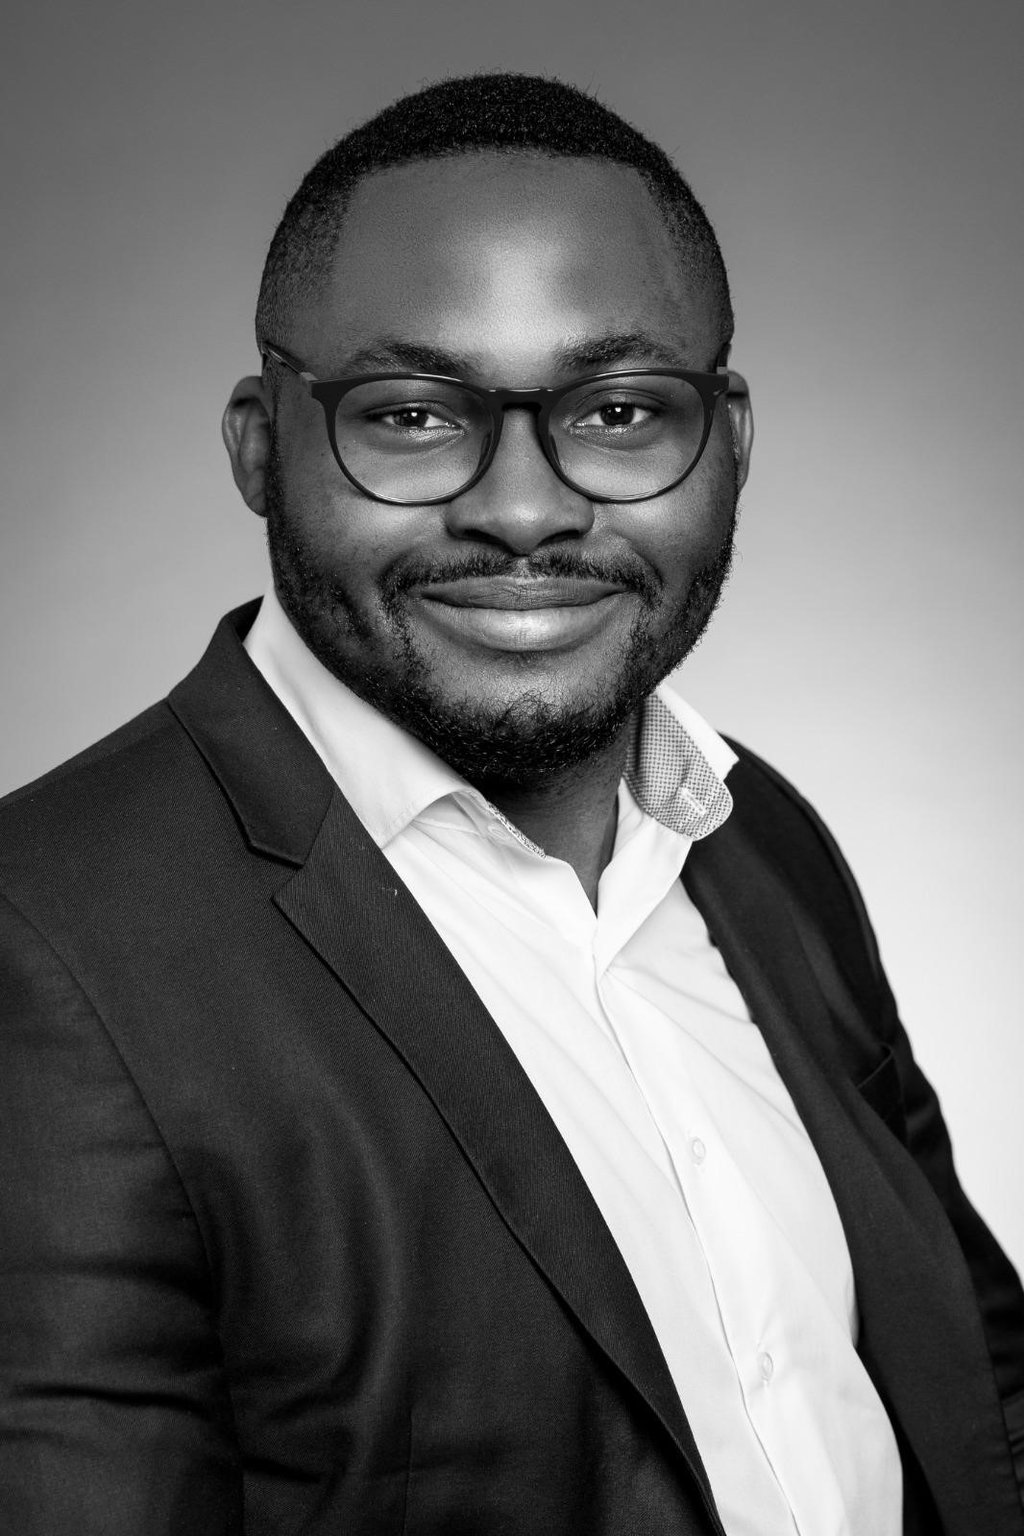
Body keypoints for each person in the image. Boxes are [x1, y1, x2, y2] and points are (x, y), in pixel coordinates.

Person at [0, 71, 1021, 1536]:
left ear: (729, 443)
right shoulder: (44, 946)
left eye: (619, 409)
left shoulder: (764, 841)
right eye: (414, 415)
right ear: (255, 446)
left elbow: (975, 1397)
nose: (528, 511)